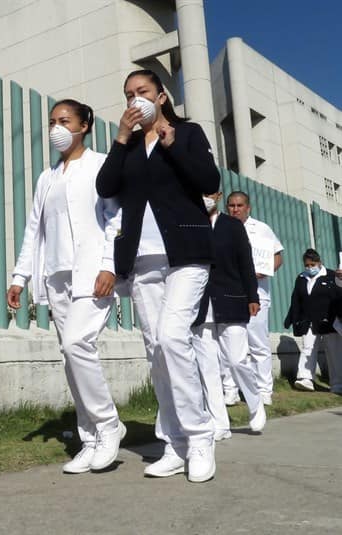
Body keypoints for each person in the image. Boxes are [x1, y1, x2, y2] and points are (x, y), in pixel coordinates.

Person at [96, 69, 220, 483]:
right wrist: (121, 137)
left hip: (186, 254)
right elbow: (105, 187)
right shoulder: (129, 146)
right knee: (157, 352)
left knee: (171, 338)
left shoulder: (188, 133)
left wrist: (172, 144)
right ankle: (174, 443)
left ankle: (199, 437)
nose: (136, 99)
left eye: (143, 91)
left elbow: (209, 181)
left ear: (161, 96)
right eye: (129, 94)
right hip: (142, 259)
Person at [8, 99, 126, 474]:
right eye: (52, 122)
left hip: (93, 273)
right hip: (57, 277)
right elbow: (34, 229)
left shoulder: (101, 164)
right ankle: (89, 439)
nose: (56, 128)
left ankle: (109, 425)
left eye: (64, 120)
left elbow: (116, 218)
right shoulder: (47, 177)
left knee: (77, 344)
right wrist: (20, 277)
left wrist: (110, 265)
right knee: (70, 356)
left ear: (84, 125)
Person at [191, 191, 266, 441]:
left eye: (209, 193)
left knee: (235, 360)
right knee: (207, 367)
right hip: (200, 304)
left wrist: (252, 296)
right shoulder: (191, 223)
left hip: (231, 300)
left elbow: (246, 263)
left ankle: (255, 402)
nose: (205, 198)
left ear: (218, 196)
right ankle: (219, 423)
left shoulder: (232, 226)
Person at [226, 191, 283, 406]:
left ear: (248, 208)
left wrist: (264, 271)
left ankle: (264, 389)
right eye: (231, 205)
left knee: (258, 343)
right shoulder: (221, 227)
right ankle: (231, 389)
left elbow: (277, 257)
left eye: (239, 205)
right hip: (230, 293)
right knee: (230, 344)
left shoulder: (261, 229)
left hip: (257, 293)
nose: (235, 209)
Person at [284, 249, 342, 394]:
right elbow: (296, 299)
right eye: (307, 265)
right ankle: (305, 378)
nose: (310, 268)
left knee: (334, 352)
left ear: (319, 262)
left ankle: (337, 384)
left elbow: (339, 296)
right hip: (308, 320)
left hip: (329, 321)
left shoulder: (331, 276)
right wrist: (291, 318)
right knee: (308, 348)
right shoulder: (301, 278)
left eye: (312, 264)